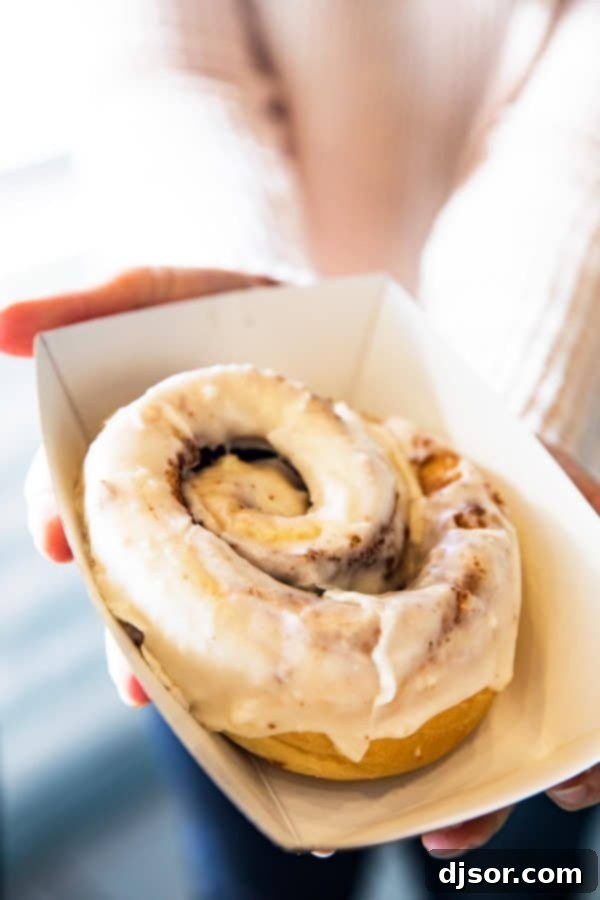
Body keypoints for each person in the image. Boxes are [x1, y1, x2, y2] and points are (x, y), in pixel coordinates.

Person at [2, 0, 599, 897]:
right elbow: (161, 60)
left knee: (512, 874)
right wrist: (221, 288)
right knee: (262, 876)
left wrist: (500, 418)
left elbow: (578, 137)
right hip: (211, 561)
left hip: (550, 472)